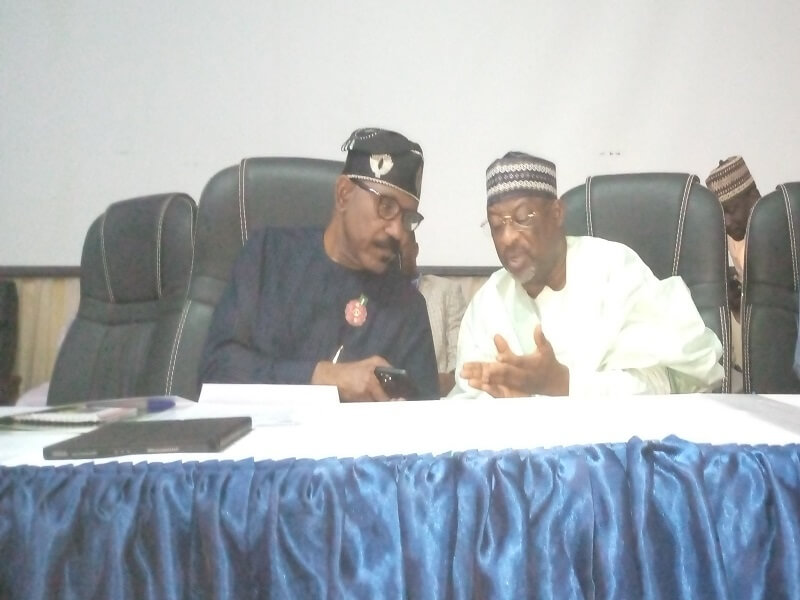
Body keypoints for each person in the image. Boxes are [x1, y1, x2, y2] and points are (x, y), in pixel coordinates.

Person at [450, 151, 724, 398]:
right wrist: (510, 406)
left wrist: (564, 385)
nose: (508, 238)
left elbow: (663, 384)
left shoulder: (615, 271)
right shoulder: (488, 303)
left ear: (557, 213)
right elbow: (468, 401)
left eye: (523, 218)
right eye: (496, 225)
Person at [201, 127, 439, 401]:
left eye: (407, 219)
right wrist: (323, 377)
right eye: (386, 207)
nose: (397, 231)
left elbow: (424, 412)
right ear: (344, 194)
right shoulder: (268, 256)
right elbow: (215, 371)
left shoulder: (406, 306)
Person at [399, 231, 467, 396]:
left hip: (438, 397)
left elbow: (461, 361)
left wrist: (432, 383)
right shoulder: (375, 298)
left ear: (415, 249)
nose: (397, 256)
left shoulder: (447, 291)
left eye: (401, 248)